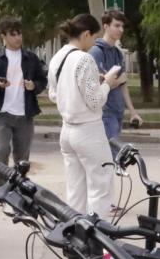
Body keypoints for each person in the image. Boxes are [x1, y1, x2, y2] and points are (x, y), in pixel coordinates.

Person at [49, 14, 126, 216]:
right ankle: (100, 239)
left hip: (67, 130)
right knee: (101, 186)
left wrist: (87, 86)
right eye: (93, 38)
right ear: (85, 34)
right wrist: (107, 83)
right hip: (88, 130)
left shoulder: (57, 58)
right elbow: (95, 101)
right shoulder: (84, 59)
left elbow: (53, 94)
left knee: (76, 188)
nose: (93, 43)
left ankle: (76, 236)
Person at [0, 18, 47, 168]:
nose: (18, 38)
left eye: (19, 34)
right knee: (1, 151)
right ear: (3, 36)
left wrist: (34, 86)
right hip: (2, 113)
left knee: (22, 157)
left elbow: (42, 80)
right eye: (13, 34)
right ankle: (2, 189)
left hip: (25, 114)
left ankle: (18, 189)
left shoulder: (30, 58)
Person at [92, 10, 143, 158]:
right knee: (111, 157)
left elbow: (122, 84)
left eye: (122, 26)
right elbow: (101, 84)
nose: (121, 29)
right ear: (106, 26)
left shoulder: (118, 53)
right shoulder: (96, 52)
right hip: (104, 112)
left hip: (117, 111)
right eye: (117, 25)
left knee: (114, 158)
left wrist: (132, 111)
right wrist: (115, 81)